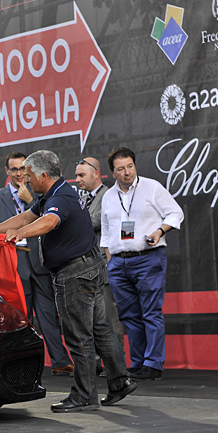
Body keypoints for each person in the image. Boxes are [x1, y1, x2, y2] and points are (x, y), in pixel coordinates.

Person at [0, 149, 136, 413]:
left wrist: (20, 234)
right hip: (89, 266)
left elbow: (48, 222)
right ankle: (120, 382)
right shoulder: (54, 193)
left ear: (43, 175)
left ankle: (84, 396)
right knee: (100, 329)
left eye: (28, 176)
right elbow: (28, 215)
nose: (25, 180)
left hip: (75, 272)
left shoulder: (60, 197)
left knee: (78, 335)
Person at [100, 147, 185, 381]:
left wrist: (160, 231)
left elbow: (175, 213)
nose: (127, 172)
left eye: (130, 166)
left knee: (150, 312)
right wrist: (111, 263)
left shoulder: (152, 187)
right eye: (121, 169)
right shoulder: (109, 196)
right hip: (118, 262)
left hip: (147, 258)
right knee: (128, 316)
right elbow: (106, 234)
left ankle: (154, 363)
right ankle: (137, 363)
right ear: (112, 173)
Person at [0, 151, 73, 376]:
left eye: (22, 169)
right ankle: (19, 366)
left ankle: (60, 361)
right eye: (14, 169)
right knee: (19, 320)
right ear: (7, 172)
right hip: (14, 268)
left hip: (40, 264)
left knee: (48, 316)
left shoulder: (39, 195)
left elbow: (47, 218)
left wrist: (30, 201)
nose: (19, 174)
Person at [74, 156, 124, 372]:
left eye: (81, 175)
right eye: (76, 175)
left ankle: (116, 366)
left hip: (103, 267)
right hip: (87, 268)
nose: (77, 180)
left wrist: (73, 219)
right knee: (90, 320)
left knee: (109, 320)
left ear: (96, 173)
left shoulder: (109, 196)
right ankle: (94, 364)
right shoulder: (85, 199)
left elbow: (92, 222)